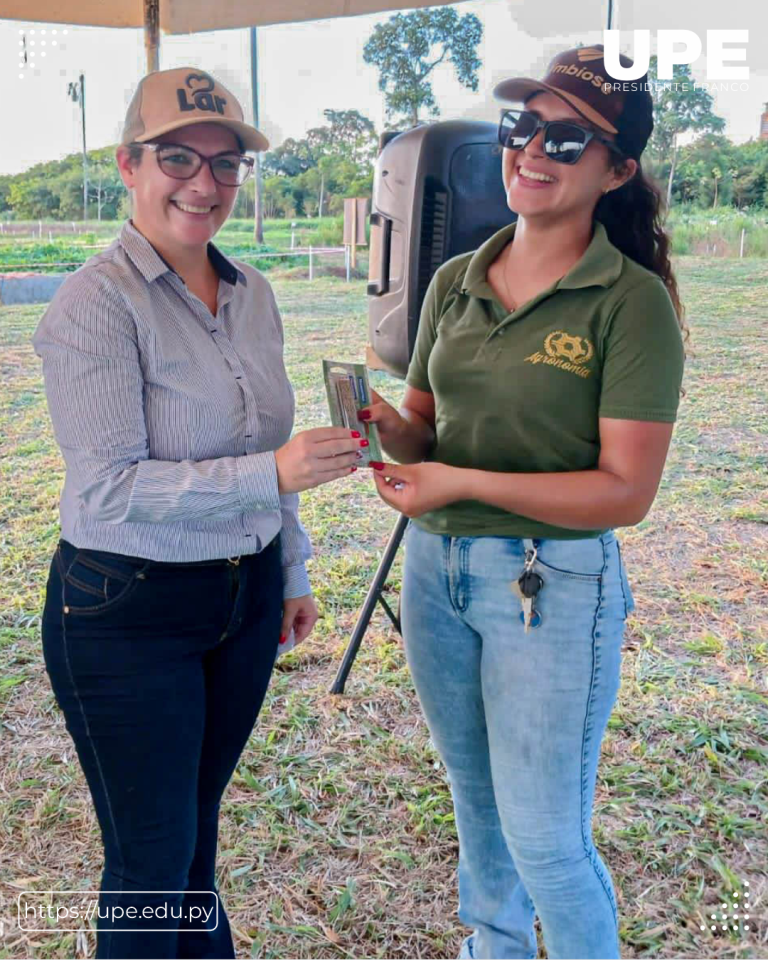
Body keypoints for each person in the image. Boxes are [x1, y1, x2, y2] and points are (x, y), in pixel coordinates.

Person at [33, 67, 367, 959]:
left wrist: (287, 572)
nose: (203, 182)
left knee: (196, 838)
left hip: (245, 599)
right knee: (150, 858)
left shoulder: (254, 293)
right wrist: (272, 473)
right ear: (129, 164)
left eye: (226, 164)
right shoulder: (92, 306)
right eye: (177, 157)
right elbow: (107, 489)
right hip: (127, 608)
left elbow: (274, 442)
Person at [364, 46, 686, 960]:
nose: (531, 150)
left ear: (617, 169)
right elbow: (426, 431)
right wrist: (382, 426)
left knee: (546, 836)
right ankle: (492, 949)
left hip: (550, 586)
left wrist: (459, 484)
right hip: (437, 575)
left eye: (567, 136)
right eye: (521, 126)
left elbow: (625, 493)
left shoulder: (629, 304)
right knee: (478, 809)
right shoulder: (455, 280)